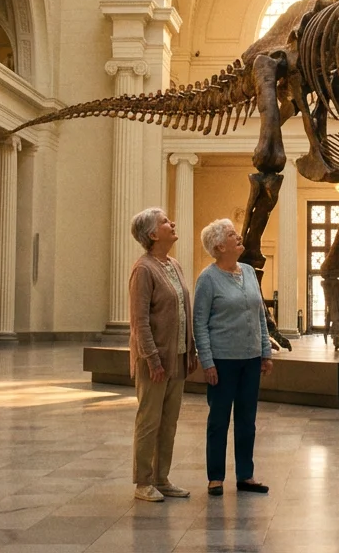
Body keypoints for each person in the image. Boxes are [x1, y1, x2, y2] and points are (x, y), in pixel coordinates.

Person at [193, 218, 274, 496]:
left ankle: (245, 475)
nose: (238, 236)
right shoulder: (208, 279)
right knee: (218, 420)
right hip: (222, 361)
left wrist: (265, 352)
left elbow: (260, 315)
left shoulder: (249, 272)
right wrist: (207, 362)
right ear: (219, 246)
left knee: (247, 420)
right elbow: (200, 323)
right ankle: (215, 477)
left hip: (251, 359)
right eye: (231, 234)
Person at [128, 207, 198, 503]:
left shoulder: (174, 265)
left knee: (169, 422)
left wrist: (190, 349)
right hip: (153, 362)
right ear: (153, 234)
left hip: (177, 357)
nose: (172, 223)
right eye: (165, 222)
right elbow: (139, 321)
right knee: (149, 421)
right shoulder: (143, 269)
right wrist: (152, 359)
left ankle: (161, 478)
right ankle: (143, 481)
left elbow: (183, 311)